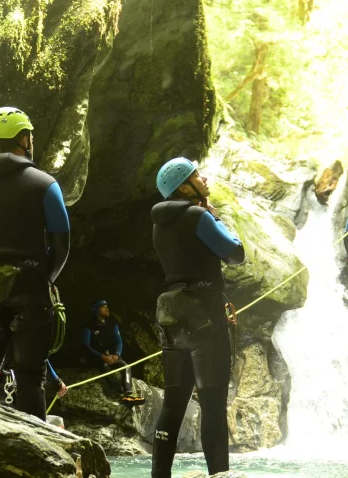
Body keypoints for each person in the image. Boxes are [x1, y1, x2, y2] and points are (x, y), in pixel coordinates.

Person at [0, 107, 70, 421]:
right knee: (30, 377)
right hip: (30, 288)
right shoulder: (44, 184)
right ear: (24, 138)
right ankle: (36, 464)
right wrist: (44, 280)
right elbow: (61, 244)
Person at [150, 157, 244, 478]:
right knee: (212, 403)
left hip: (173, 321)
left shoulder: (158, 224)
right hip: (205, 319)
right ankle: (219, 474)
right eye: (195, 175)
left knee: (173, 404)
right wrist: (216, 218)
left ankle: (159, 474)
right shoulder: (198, 216)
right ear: (184, 187)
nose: (203, 178)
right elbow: (235, 253)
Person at [81, 300, 144, 404]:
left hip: (111, 355)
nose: (107, 309)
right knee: (105, 368)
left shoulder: (112, 323)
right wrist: (102, 357)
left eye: (107, 306)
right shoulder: (88, 326)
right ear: (96, 310)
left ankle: (129, 393)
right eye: (103, 307)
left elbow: (119, 341)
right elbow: (86, 346)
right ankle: (121, 392)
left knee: (125, 366)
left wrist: (117, 355)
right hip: (97, 358)